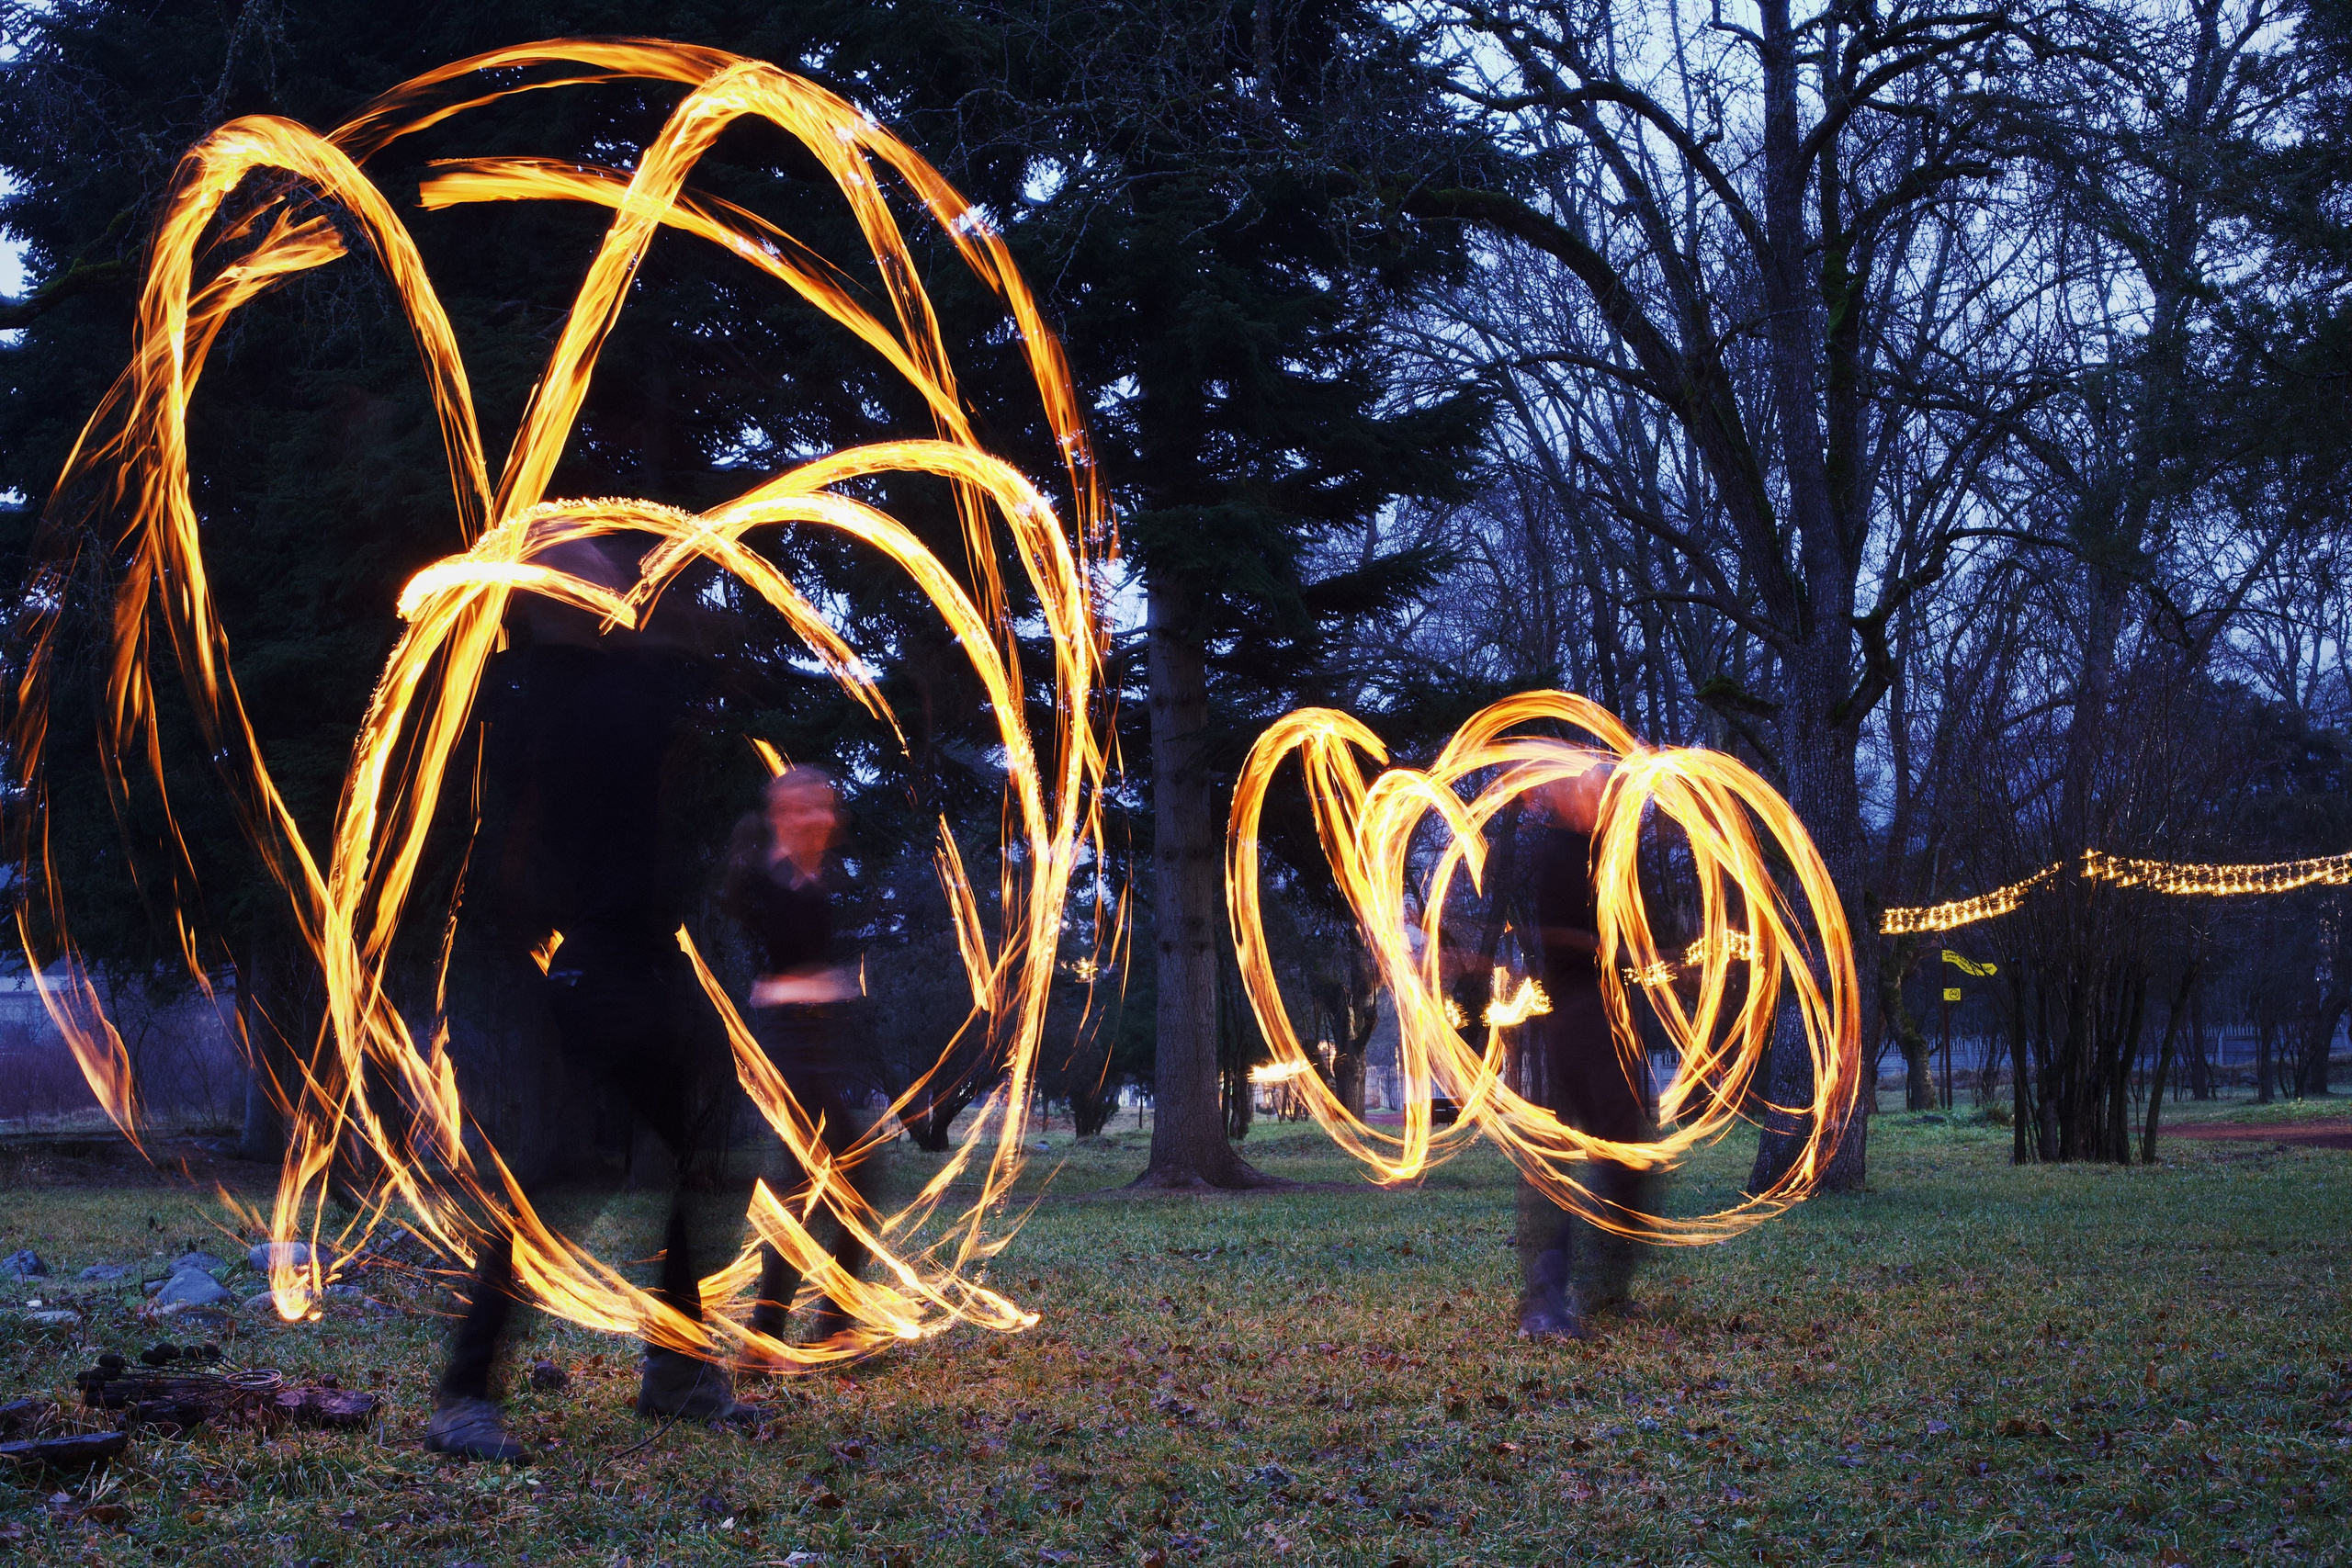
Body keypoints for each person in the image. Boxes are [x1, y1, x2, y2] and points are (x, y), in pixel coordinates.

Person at [425, 534, 758, 1462]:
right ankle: (463, 1395)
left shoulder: (597, 684)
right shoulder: (561, 692)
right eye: (604, 575)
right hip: (601, 963)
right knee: (570, 1166)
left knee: (711, 1151)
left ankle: (680, 1376)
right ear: (569, 596)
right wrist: (673, 636)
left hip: (645, 956)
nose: (626, 583)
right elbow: (676, 674)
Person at [720, 765, 879, 1363]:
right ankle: (769, 1338)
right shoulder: (767, 881)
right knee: (804, 1184)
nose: (826, 818)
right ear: (783, 813)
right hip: (787, 1041)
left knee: (843, 1181)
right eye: (810, 807)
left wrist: (834, 984)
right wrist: (821, 981)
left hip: (818, 1039)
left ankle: (820, 1328)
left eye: (829, 807)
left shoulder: (818, 880)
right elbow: (778, 964)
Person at [1513, 761, 1658, 1340]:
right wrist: (1609, 943)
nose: (1605, 800)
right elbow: (1554, 936)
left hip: (1605, 1014)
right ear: (1574, 798)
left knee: (1627, 1149)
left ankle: (1605, 1289)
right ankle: (1545, 1301)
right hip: (1576, 1015)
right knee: (1579, 1154)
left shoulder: (1602, 855)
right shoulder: (1559, 855)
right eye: (1597, 791)